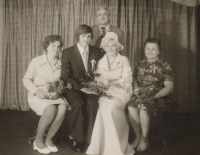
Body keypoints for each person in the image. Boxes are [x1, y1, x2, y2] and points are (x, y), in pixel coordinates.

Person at [86, 32, 135, 155]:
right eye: (107, 46)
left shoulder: (123, 60)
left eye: (113, 46)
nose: (110, 49)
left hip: (122, 91)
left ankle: (116, 148)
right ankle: (102, 148)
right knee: (104, 107)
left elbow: (127, 79)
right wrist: (104, 85)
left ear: (117, 47)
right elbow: (99, 80)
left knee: (111, 108)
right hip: (106, 93)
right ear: (104, 48)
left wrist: (112, 83)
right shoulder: (101, 61)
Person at [23, 35, 69, 154]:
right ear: (47, 46)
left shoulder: (60, 62)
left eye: (58, 46)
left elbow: (62, 80)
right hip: (38, 95)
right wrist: (36, 91)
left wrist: (63, 86)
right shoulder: (36, 61)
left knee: (63, 107)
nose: (56, 48)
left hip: (54, 95)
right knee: (51, 109)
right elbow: (26, 79)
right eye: (53, 45)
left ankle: (48, 139)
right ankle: (38, 141)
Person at [128, 38, 174, 151]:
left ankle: (145, 139)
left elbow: (169, 87)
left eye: (153, 49)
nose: (150, 51)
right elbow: (134, 80)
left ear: (159, 51)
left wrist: (156, 96)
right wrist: (137, 88)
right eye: (147, 48)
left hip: (159, 95)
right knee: (131, 104)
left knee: (144, 106)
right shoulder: (140, 64)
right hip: (142, 93)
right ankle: (138, 136)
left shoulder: (165, 65)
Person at [61, 24, 102, 152]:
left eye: (88, 36)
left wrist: (94, 85)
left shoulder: (97, 51)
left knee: (93, 102)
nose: (86, 39)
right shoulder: (67, 52)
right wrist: (80, 88)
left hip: (90, 88)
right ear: (77, 36)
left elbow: (100, 72)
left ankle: (91, 139)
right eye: (83, 36)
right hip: (73, 87)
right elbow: (66, 76)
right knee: (78, 103)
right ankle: (76, 138)